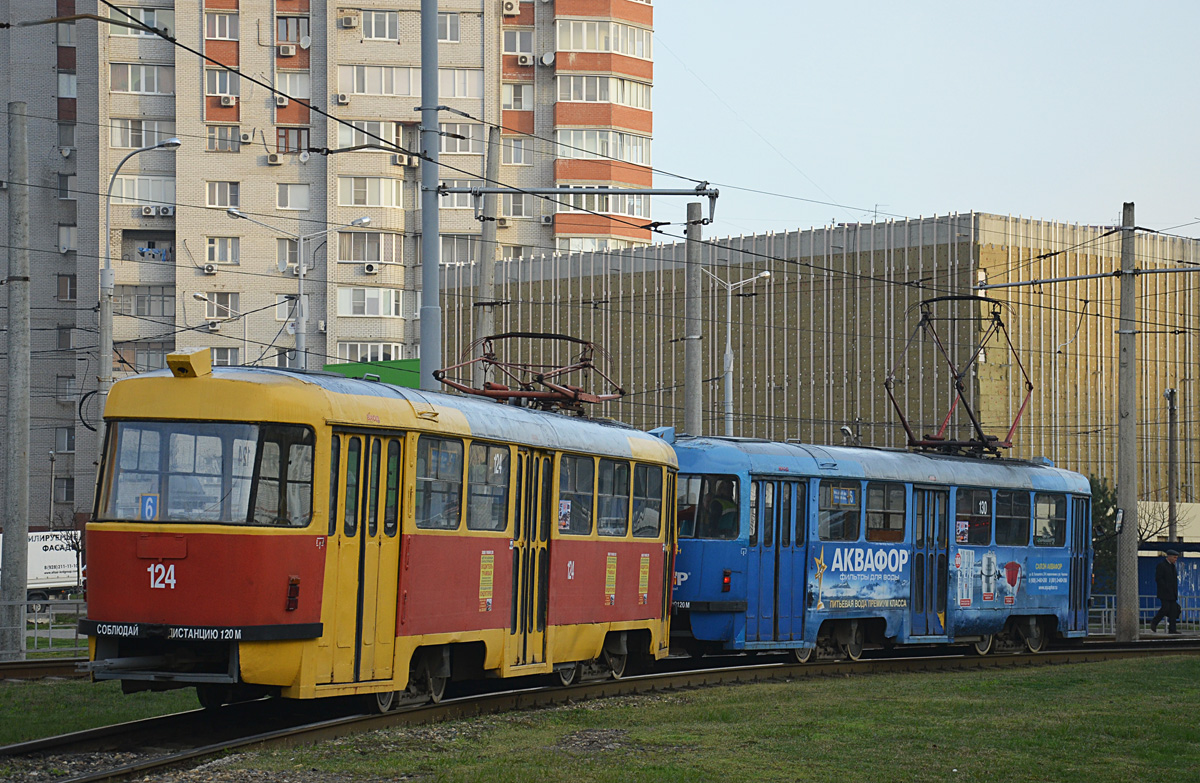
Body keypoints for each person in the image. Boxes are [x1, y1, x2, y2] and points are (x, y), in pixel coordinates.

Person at [1150, 549, 1181, 634]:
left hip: (1172, 594)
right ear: (1169, 557)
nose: (1176, 559)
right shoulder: (1162, 565)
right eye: (1174, 557)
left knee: (1173, 611)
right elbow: (1159, 579)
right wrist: (1166, 588)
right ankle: (1154, 622)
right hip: (1165, 593)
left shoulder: (1172, 567)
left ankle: (1172, 629)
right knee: (1165, 608)